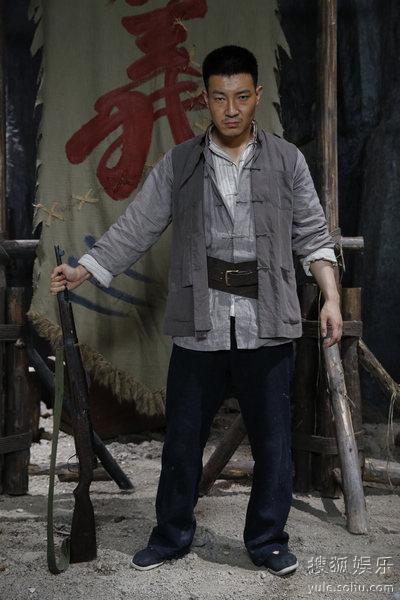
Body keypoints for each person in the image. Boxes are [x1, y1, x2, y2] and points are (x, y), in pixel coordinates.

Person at [50, 46, 342, 577]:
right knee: (182, 441)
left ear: (257, 96)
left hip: (267, 321)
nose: (232, 109)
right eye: (220, 98)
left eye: (242, 97)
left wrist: (332, 298)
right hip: (199, 322)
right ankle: (170, 535)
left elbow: (313, 235)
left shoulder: (287, 161)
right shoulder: (180, 163)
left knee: (274, 442)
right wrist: (84, 269)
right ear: (205, 99)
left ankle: (268, 540)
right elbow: (137, 225)